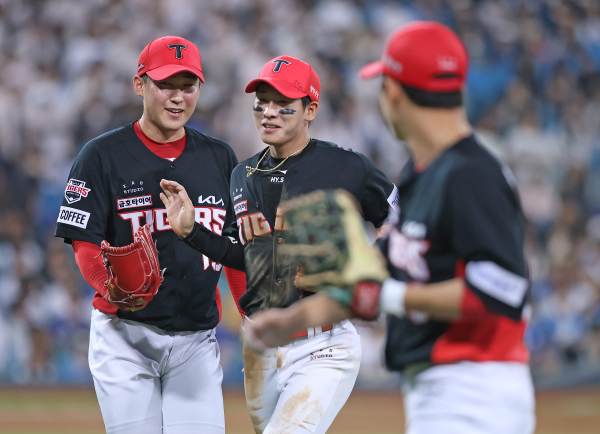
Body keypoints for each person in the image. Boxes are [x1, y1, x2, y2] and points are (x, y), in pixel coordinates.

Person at [244, 22, 536, 434]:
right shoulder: (422, 175)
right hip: (441, 386)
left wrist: (389, 295)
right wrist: (291, 319)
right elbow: (372, 278)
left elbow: (502, 289)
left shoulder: (471, 173)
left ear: (393, 93)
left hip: (475, 388)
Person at [160, 55, 398, 434]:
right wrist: (193, 233)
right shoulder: (243, 174)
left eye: (283, 104)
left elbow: (397, 216)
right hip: (260, 347)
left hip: (324, 343)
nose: (268, 112)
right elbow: (246, 257)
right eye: (262, 102)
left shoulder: (345, 166)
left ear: (310, 110)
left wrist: (371, 262)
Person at [54, 36, 238, 434]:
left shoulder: (219, 157)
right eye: (165, 85)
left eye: (187, 87)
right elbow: (84, 242)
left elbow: (233, 247)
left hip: (196, 339)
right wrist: (107, 287)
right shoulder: (102, 156)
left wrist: (253, 313)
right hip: (125, 337)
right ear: (139, 85)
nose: (177, 97)